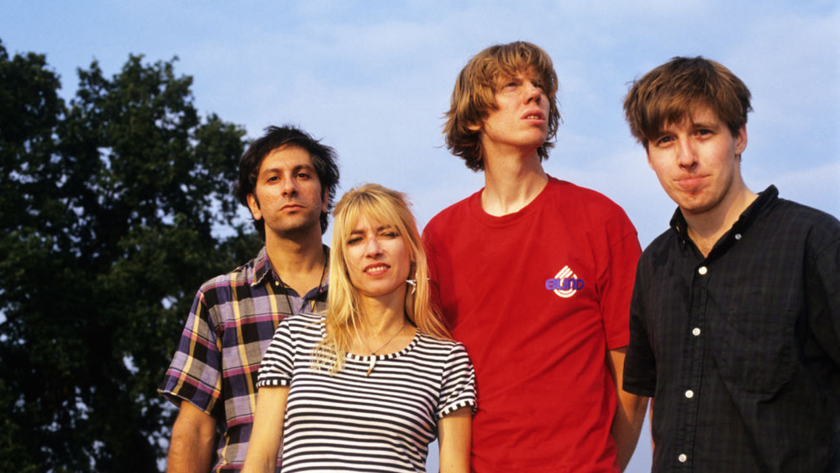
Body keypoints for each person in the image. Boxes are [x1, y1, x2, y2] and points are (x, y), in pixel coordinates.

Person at [423, 41, 648, 472]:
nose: (534, 94)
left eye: (540, 85)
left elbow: (632, 378)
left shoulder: (601, 220)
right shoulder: (439, 238)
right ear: (473, 117)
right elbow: (435, 381)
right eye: (512, 85)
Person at [622, 56, 840, 472]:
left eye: (702, 133)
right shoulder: (654, 263)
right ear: (649, 155)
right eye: (665, 140)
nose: (685, 157)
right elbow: (653, 400)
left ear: (739, 137)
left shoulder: (815, 243)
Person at [242, 184, 476, 473]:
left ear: (412, 250)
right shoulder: (295, 337)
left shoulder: (447, 360)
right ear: (342, 259)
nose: (373, 250)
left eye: (388, 234)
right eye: (356, 239)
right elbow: (260, 462)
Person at [159, 125, 340, 473]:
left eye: (302, 175)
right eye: (273, 179)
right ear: (254, 204)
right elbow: (195, 429)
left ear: (325, 196)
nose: (289, 187)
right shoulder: (219, 298)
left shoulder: (364, 294)